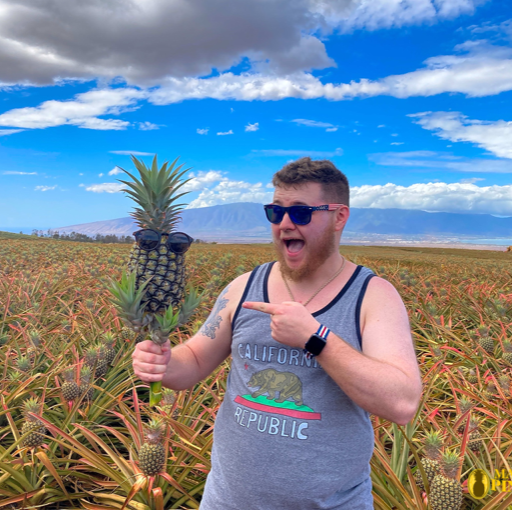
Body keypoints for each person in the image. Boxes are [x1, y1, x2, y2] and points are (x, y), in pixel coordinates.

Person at [132, 157, 423, 509]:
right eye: (276, 212)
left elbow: (402, 403)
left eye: (301, 213)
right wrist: (162, 362)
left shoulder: (373, 296)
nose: (285, 223)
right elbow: (193, 360)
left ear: (339, 217)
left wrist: (315, 339)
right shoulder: (243, 287)